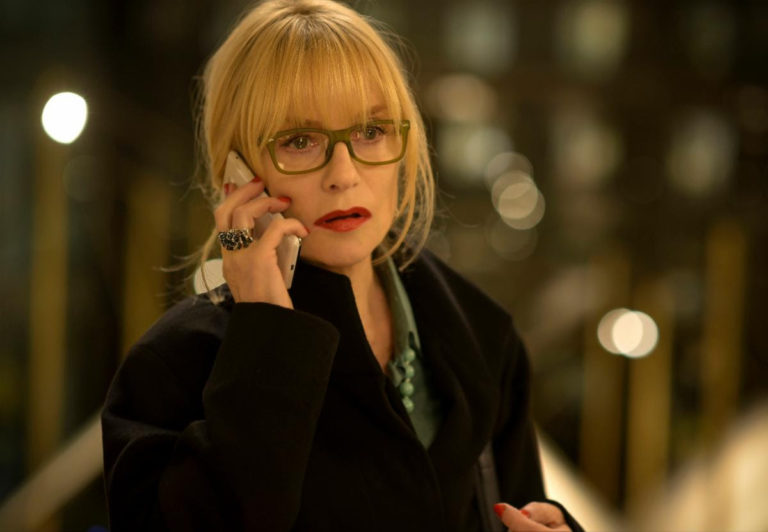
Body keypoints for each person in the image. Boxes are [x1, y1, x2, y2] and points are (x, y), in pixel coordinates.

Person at [101, 1, 584, 531]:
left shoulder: (481, 335)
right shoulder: (176, 363)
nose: (344, 174)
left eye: (371, 131)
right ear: (237, 174)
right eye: (299, 142)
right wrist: (266, 340)